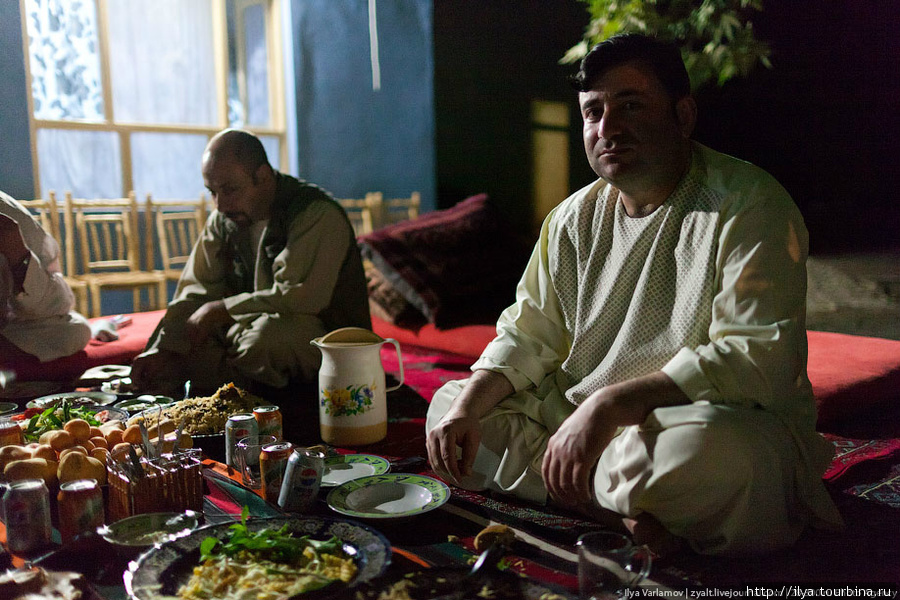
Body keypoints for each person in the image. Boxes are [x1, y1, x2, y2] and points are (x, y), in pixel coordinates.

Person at [425, 34, 843, 556]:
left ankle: (588, 489)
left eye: (630, 105)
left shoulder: (748, 203)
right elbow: (528, 332)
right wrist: (469, 406)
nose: (609, 128)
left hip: (686, 421)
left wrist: (612, 403)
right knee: (451, 408)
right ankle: (621, 507)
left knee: (720, 455)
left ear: (683, 115)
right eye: (593, 112)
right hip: (580, 422)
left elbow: (754, 355)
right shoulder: (573, 218)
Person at [131, 129, 370, 399]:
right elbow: (197, 289)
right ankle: (239, 386)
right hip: (245, 328)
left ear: (263, 177)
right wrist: (162, 348)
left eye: (230, 189)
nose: (220, 205)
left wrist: (223, 309)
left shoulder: (314, 214)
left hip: (319, 335)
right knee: (183, 341)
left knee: (266, 340)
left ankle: (241, 393)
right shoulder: (225, 219)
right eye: (212, 192)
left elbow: (297, 298)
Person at [1, 190, 91, 363]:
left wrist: (20, 257)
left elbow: (55, 304)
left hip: (16, 325)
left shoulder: (6, 213)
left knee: (74, 329)